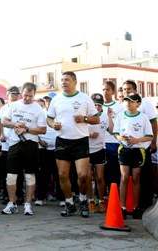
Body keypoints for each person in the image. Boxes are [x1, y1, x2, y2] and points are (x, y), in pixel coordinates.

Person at [46, 71, 100, 218]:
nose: (63, 82)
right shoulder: (56, 99)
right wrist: (53, 125)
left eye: (67, 80)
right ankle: (69, 203)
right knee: (63, 175)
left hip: (80, 140)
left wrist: (85, 118)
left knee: (83, 175)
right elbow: (49, 119)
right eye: (62, 80)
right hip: (62, 140)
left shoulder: (85, 98)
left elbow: (96, 119)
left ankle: (82, 200)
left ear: (75, 82)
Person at [1, 82, 46, 215]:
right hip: (14, 144)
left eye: (30, 96)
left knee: (29, 176)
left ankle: (28, 205)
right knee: (11, 176)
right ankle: (12, 203)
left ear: (34, 95)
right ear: (22, 92)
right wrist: (16, 124)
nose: (27, 98)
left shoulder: (38, 109)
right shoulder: (14, 105)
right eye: (26, 95)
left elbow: (42, 129)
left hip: (31, 144)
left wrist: (26, 129)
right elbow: (4, 121)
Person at [111, 93, 153, 219]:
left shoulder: (143, 117)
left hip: (138, 150)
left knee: (136, 178)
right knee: (124, 177)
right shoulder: (120, 116)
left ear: (138, 104)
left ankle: (136, 207)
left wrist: (137, 140)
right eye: (126, 101)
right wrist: (120, 137)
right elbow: (116, 133)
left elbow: (150, 136)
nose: (128, 103)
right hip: (124, 149)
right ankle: (122, 207)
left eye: (131, 101)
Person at [122, 80, 157, 216]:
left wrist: (153, 142)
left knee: (143, 177)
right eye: (124, 89)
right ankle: (127, 205)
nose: (126, 91)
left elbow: (154, 122)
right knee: (127, 177)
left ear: (135, 90)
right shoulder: (123, 105)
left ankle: (144, 205)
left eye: (129, 89)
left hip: (143, 147)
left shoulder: (145, 104)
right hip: (126, 150)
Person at [86, 93, 110, 213]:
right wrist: (89, 134)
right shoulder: (86, 116)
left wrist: (110, 117)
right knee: (88, 177)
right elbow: (78, 131)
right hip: (87, 150)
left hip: (100, 149)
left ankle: (101, 201)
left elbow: (111, 129)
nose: (97, 107)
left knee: (100, 178)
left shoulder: (104, 116)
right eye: (94, 105)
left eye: (99, 105)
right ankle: (90, 200)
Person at [102, 81, 124, 190]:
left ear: (113, 91)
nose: (105, 92)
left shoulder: (119, 107)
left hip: (114, 143)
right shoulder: (97, 106)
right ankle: (101, 197)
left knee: (114, 171)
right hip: (99, 144)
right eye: (103, 89)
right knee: (101, 174)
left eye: (108, 89)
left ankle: (114, 195)